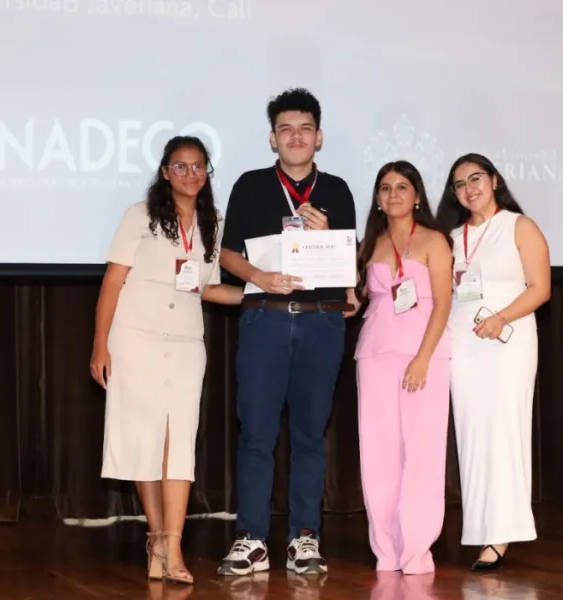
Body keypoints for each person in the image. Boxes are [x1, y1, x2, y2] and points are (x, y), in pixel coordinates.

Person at [217, 88, 359, 576]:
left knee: (309, 434)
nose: (295, 137)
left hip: (321, 320)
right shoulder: (251, 185)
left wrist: (328, 237)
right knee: (255, 432)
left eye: (304, 128)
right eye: (285, 129)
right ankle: (252, 538)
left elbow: (350, 263)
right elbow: (227, 255)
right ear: (272, 139)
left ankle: (305, 537)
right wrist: (259, 277)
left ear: (319, 137)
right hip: (266, 317)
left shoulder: (337, 190)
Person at [90, 135, 243, 584]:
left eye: (199, 167)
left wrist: (257, 293)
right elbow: (113, 282)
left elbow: (208, 287)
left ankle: (171, 545)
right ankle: (157, 538)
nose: (190, 175)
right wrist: (100, 344)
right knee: (145, 441)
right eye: (181, 167)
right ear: (164, 172)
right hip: (134, 339)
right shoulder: (139, 216)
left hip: (185, 343)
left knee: (179, 444)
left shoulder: (214, 221)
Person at [436, 152, 551, 571]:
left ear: (495, 180)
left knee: (505, 431)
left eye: (476, 178)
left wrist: (502, 317)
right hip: (463, 345)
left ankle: (501, 534)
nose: (470, 189)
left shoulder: (520, 226)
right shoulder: (450, 237)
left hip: (508, 341)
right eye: (460, 184)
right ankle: (482, 529)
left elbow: (541, 289)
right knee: (472, 436)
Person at [353, 161, 453, 575]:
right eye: (385, 188)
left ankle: (417, 549)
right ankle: (387, 548)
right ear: (377, 198)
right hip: (375, 354)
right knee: (378, 453)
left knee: (423, 452)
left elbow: (444, 303)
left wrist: (422, 359)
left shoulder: (433, 241)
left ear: (417, 196)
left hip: (424, 355)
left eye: (402, 187)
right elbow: (357, 300)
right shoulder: (368, 244)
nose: (393, 195)